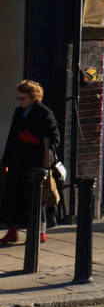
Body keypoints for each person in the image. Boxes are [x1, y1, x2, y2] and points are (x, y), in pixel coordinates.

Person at [0, 80, 60, 246]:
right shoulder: (19, 112)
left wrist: (35, 140)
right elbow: (12, 137)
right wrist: (5, 160)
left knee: (35, 199)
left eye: (23, 98)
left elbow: (55, 139)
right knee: (12, 197)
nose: (20, 101)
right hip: (17, 162)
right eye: (19, 98)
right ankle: (12, 232)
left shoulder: (44, 114)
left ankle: (41, 232)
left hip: (35, 165)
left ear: (33, 97)